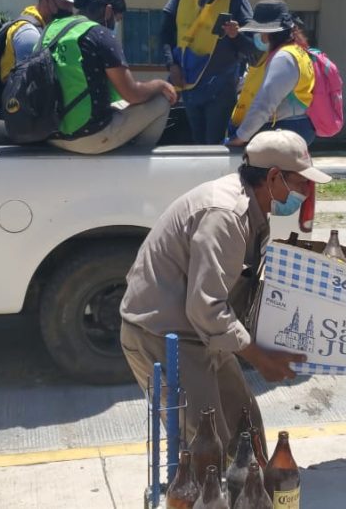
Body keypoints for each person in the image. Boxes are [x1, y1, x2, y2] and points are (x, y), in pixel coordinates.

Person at [120, 130, 330, 447]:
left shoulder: (252, 208)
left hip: (201, 332)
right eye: (301, 183)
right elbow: (206, 307)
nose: (306, 191)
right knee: (208, 447)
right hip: (162, 335)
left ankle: (249, 492)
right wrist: (259, 358)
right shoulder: (225, 214)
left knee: (247, 431)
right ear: (274, 177)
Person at [42, 0, 177, 154]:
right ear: (108, 11)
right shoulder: (100, 35)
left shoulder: (51, 29)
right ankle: (136, 162)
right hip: (87, 137)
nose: (116, 24)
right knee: (161, 101)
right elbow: (132, 94)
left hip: (51, 135)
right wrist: (159, 85)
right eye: (118, 18)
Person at [160, 0, 254, 145]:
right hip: (188, 83)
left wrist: (236, 35)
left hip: (220, 89)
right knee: (196, 142)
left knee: (214, 145)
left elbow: (252, 47)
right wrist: (171, 65)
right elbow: (165, 34)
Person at [225, 0, 317, 148]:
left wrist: (240, 137)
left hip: (281, 129)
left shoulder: (283, 58)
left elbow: (264, 104)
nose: (258, 36)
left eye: (260, 31)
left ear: (270, 33)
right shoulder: (295, 52)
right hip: (293, 127)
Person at [0, 0, 77, 84]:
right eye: (65, 3)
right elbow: (29, 82)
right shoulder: (29, 34)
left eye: (71, 5)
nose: (69, 10)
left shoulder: (44, 26)